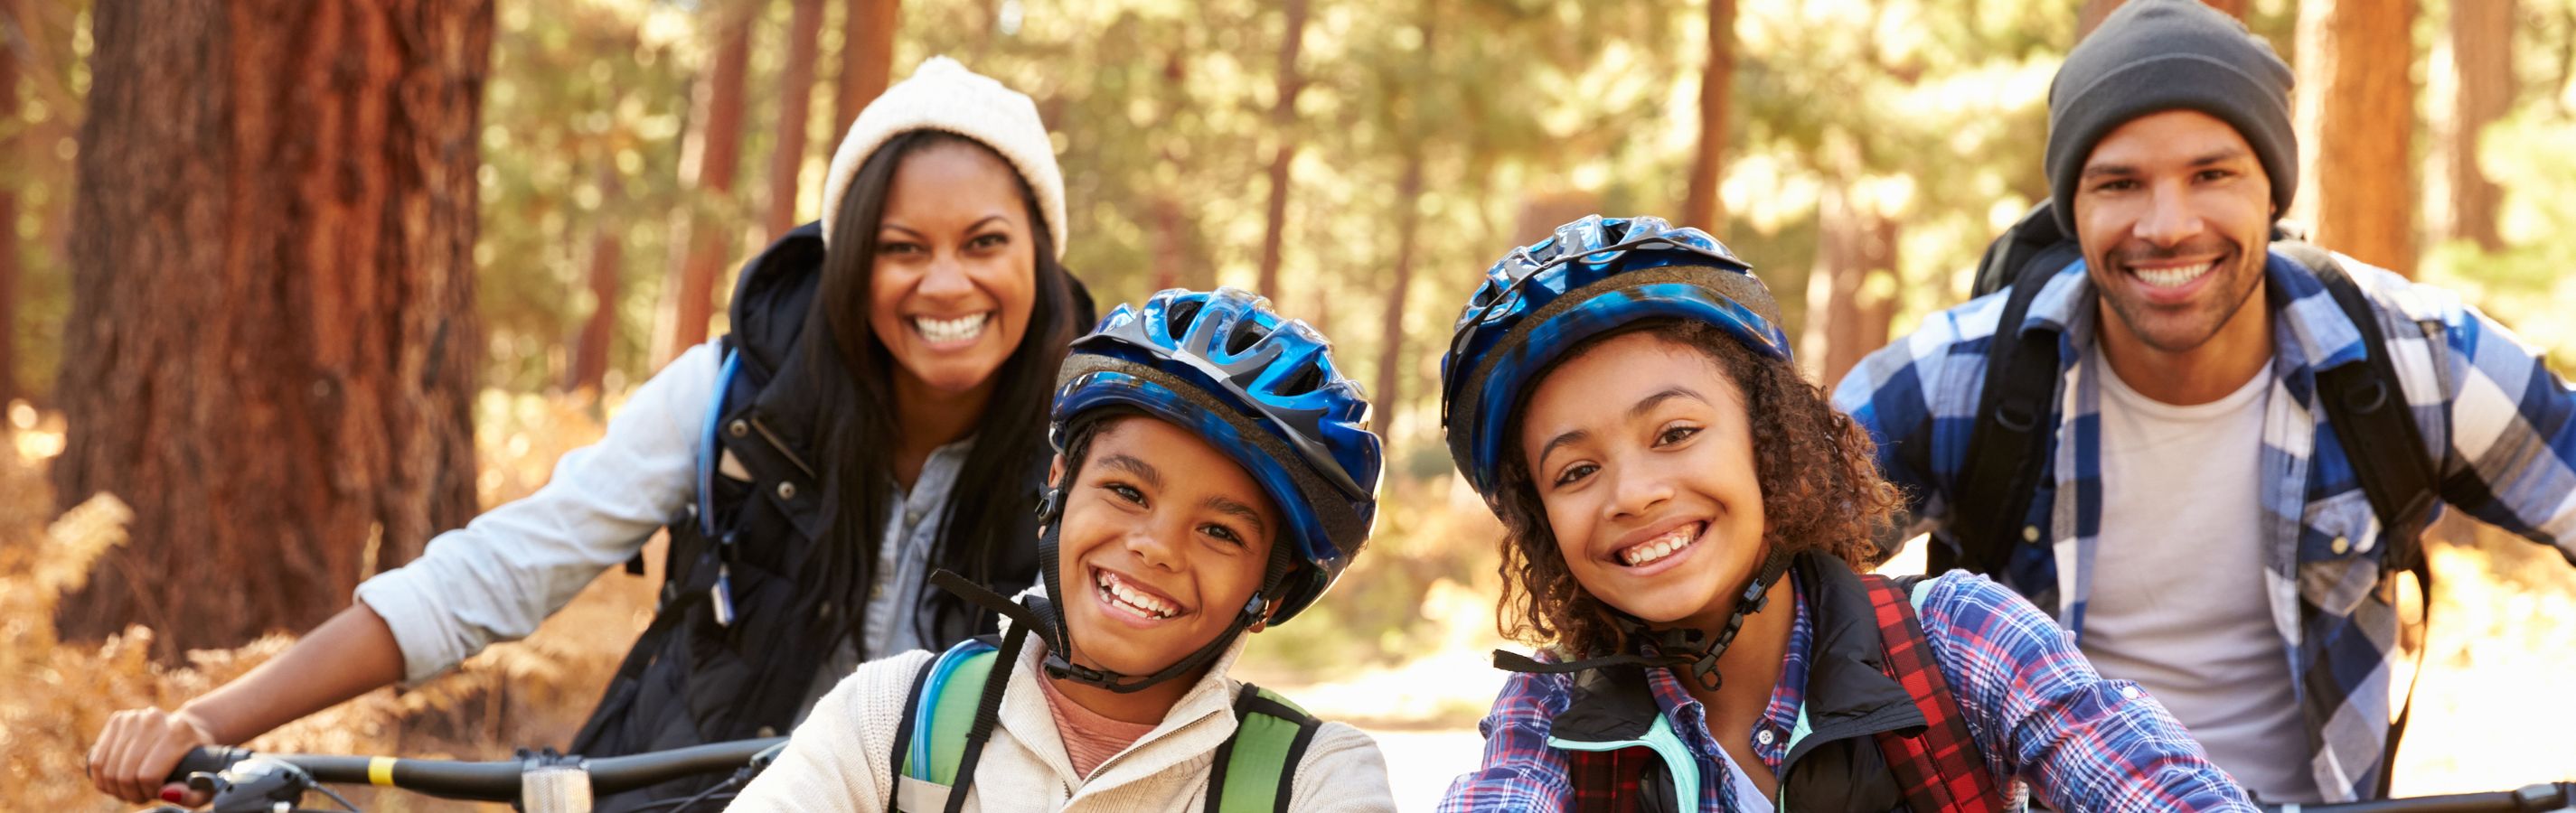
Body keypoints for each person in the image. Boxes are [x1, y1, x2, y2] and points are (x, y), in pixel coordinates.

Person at [87, 57, 1095, 809]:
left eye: (985, 243)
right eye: (900, 248)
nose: (946, 282)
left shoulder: (1092, 442)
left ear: (1039, 254)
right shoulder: (730, 397)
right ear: (847, 268)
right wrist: (206, 721)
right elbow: (496, 571)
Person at [1832, 0, 2576, 802]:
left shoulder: (2414, 359)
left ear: (2273, 193)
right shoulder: (1960, 377)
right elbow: (1757, 575)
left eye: (2211, 174)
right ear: (2069, 209)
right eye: (2119, 183)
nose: (2168, 225)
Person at [1436, 215, 2254, 813]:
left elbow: (2162, 792)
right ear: (1544, 522)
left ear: (1767, 441)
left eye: (1676, 433)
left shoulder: (1960, 639)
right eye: (1577, 471)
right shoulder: (1548, 715)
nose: (1633, 493)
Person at [726, 286, 1395, 813]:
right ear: (1059, 486)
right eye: (1127, 491)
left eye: (1221, 532)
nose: (1155, 547)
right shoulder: (891, 716)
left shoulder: (1315, 781)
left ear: (1273, 589)